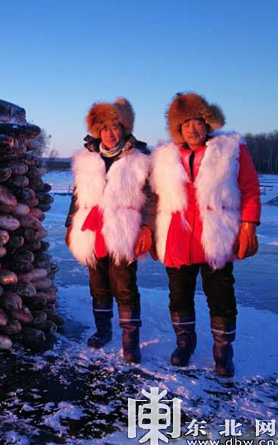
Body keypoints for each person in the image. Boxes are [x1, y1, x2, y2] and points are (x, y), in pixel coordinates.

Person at [150, 92, 261, 377]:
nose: (191, 128)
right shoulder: (165, 156)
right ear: (177, 128)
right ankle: (184, 343)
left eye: (196, 121)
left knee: (222, 297)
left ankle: (223, 350)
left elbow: (249, 188)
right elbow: (154, 198)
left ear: (207, 122)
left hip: (217, 236)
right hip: (177, 238)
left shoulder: (231, 149)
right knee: (179, 297)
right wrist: (151, 231)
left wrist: (249, 225)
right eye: (184, 123)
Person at [65, 98, 155, 363]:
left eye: (115, 127)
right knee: (98, 285)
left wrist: (147, 228)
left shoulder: (140, 159)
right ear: (97, 131)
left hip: (124, 230)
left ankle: (130, 340)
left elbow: (151, 198)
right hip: (92, 230)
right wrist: (71, 225)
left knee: (125, 286)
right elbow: (77, 196)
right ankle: (103, 330)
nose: (110, 133)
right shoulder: (87, 159)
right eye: (104, 128)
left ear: (124, 128)